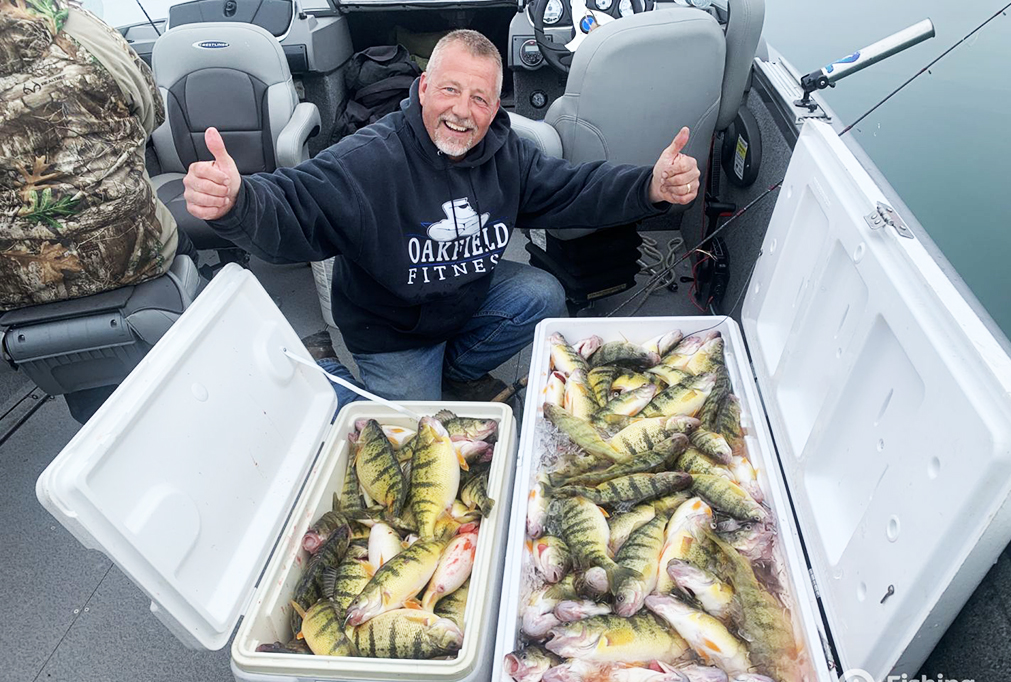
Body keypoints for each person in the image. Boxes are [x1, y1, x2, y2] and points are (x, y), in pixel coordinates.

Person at [182, 29, 700, 403]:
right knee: (413, 440)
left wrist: (649, 186)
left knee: (543, 294)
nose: (462, 110)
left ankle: (451, 369)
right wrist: (238, 202)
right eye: (450, 89)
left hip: (462, 300)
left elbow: (572, 188)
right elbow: (295, 205)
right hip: (392, 331)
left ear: (497, 108)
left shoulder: (508, 154)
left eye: (480, 98)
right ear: (424, 87)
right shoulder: (369, 159)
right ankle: (331, 372)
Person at [0, 0, 194, 312]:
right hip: (135, 255)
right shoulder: (77, 27)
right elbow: (151, 112)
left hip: (14, 285)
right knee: (181, 245)